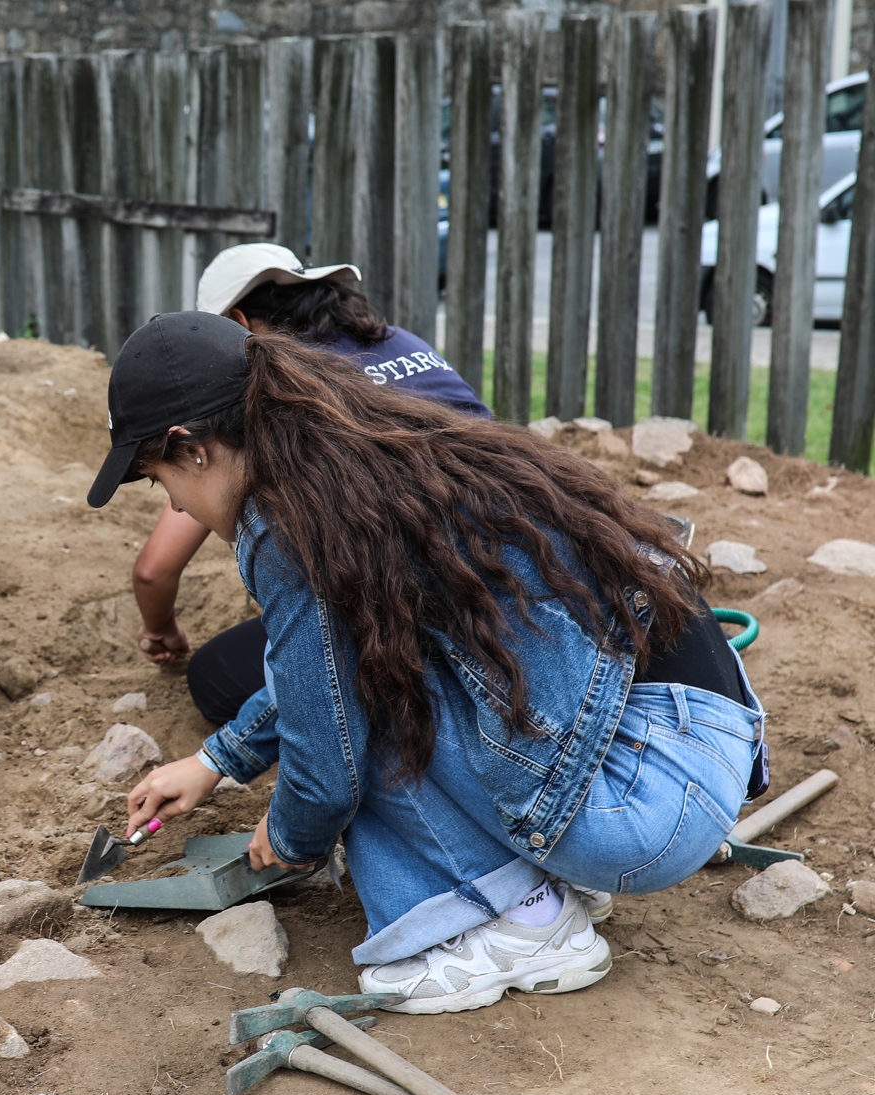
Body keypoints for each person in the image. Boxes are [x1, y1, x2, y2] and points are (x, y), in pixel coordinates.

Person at [88, 312, 767, 1014]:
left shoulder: (282, 523)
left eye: (156, 477)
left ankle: (530, 922)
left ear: (191, 448)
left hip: (640, 808)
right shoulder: (366, 452)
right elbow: (318, 666)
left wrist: (291, 838)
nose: (171, 502)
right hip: (702, 746)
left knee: (378, 693)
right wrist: (218, 760)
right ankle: (539, 880)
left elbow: (325, 761)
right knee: (377, 657)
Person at [134, 243, 488, 726]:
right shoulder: (403, 342)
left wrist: (162, 629)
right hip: (517, 552)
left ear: (237, 325)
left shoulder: (275, 396)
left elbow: (154, 569)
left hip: (432, 604)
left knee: (214, 678)